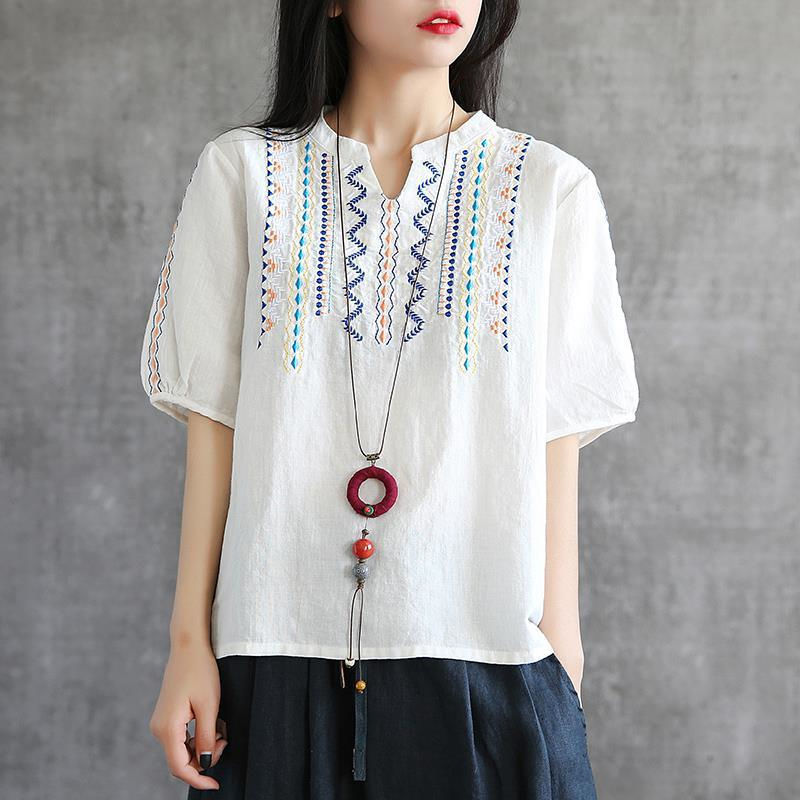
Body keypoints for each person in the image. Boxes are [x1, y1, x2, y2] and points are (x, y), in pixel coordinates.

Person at [139, 1, 639, 797]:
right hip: (275, 659)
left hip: (490, 664)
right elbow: (215, 424)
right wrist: (188, 644)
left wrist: (561, 668)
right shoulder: (244, 175)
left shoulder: (549, 189)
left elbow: (552, 440)